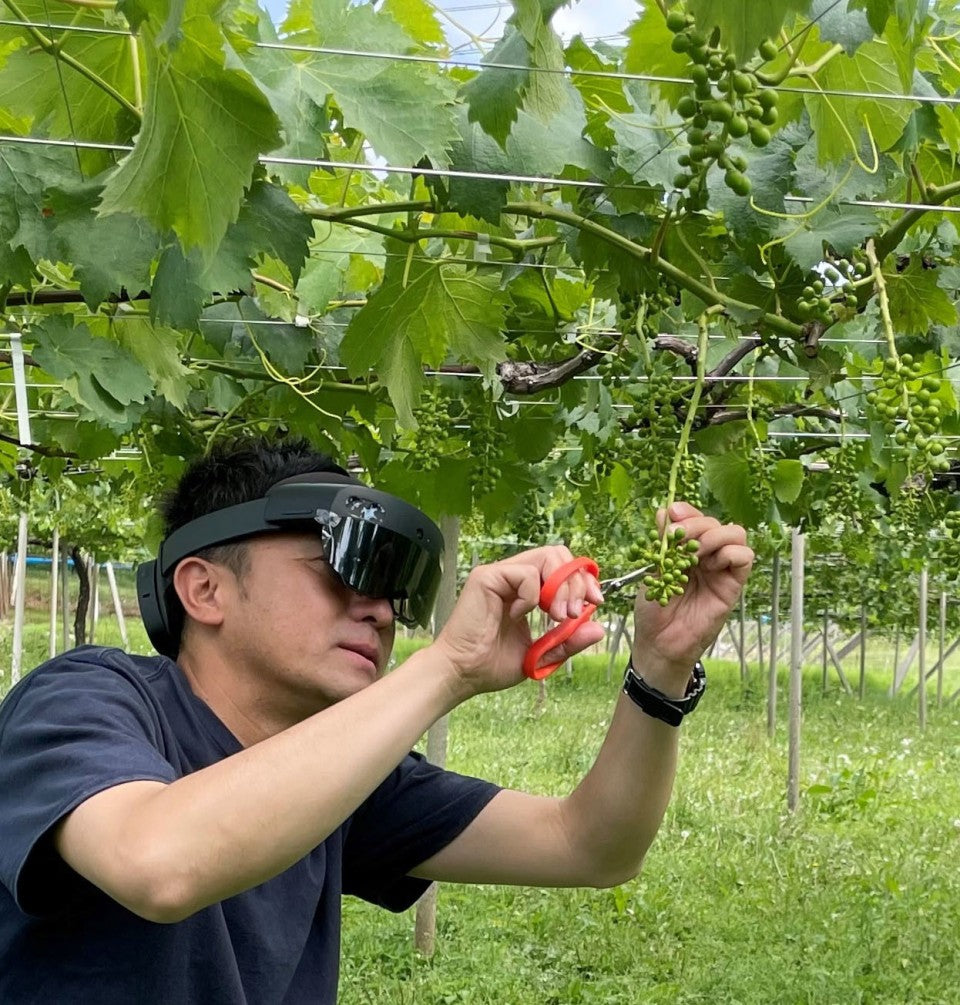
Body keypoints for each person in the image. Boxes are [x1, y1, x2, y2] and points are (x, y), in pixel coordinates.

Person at [0, 437, 753, 1004]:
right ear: (203, 589)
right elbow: (157, 861)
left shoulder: (345, 778)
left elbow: (590, 846)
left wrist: (660, 668)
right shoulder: (86, 698)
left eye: (395, 584)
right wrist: (447, 666)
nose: (381, 609)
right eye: (345, 564)